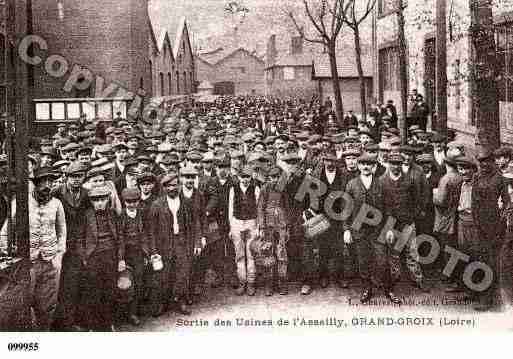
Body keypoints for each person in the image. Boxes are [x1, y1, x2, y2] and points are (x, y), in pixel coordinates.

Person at [1, 167, 67, 330]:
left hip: (50, 262)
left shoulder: (57, 204)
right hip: (28, 263)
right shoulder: (22, 203)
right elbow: (6, 231)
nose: (47, 186)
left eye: (50, 182)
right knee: (23, 303)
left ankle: (43, 334)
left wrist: (59, 255)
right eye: (42, 182)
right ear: (35, 184)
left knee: (47, 305)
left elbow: (62, 231)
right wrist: (6, 251)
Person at [344, 153, 400, 304]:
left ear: (374, 166)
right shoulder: (351, 184)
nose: (366, 167)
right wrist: (347, 229)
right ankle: (367, 288)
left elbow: (389, 209)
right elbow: (346, 210)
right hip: (359, 230)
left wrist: (389, 229)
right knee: (363, 261)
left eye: (369, 164)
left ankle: (388, 288)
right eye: (363, 164)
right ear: (359, 166)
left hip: (378, 230)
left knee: (382, 261)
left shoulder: (381, 184)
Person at [78, 185, 125, 331]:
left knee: (110, 290)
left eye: (103, 200)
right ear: (91, 201)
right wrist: (84, 257)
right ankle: (93, 324)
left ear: (107, 200)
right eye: (96, 200)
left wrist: (121, 259)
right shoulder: (86, 215)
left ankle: (108, 322)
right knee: (93, 291)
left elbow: (120, 237)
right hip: (93, 257)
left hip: (110, 256)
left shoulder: (112, 214)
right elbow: (79, 239)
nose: (99, 203)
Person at [255, 166, 290, 296]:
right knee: (268, 254)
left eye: (277, 177)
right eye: (272, 177)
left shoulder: (283, 190)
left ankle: (282, 283)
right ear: (268, 178)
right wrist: (262, 227)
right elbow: (260, 208)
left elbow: (287, 208)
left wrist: (287, 227)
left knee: (281, 255)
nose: (274, 180)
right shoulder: (265, 189)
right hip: (268, 227)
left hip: (280, 226)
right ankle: (269, 284)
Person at [228, 165, 260, 296]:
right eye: (243, 177)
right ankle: (242, 282)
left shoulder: (255, 189)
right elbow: (230, 209)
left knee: (251, 254)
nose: (245, 179)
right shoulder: (233, 189)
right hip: (237, 223)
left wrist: (258, 227)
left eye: (247, 176)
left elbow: (258, 209)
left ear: (251, 177)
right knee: (239, 255)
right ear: (239, 177)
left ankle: (251, 283)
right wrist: (231, 227)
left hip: (251, 223)